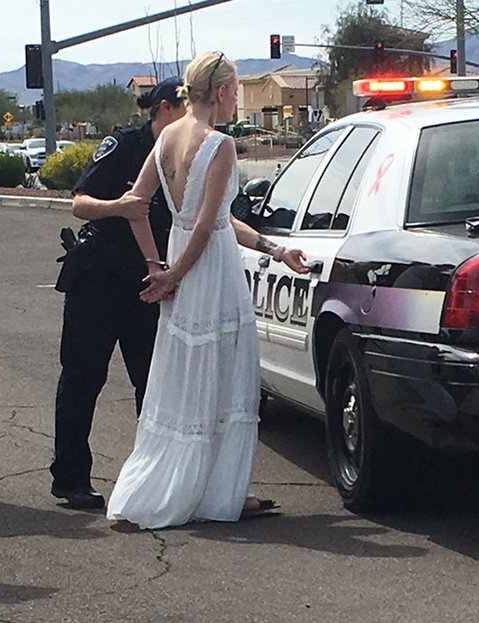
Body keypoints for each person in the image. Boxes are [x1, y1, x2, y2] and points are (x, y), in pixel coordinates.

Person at [106, 51, 309, 529]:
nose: (236, 99)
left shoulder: (166, 137)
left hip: (184, 261)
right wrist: (172, 274)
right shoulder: (219, 144)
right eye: (235, 91)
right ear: (220, 92)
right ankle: (215, 492)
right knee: (222, 375)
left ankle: (195, 486)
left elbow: (141, 205)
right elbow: (206, 227)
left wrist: (160, 265)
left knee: (187, 377)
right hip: (209, 271)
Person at [50, 78, 187, 509]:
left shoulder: (187, 152)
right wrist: (118, 208)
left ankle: (152, 478)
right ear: (165, 108)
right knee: (83, 378)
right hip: (99, 278)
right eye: (186, 105)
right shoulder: (124, 145)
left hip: (147, 284)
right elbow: (80, 202)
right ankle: (71, 478)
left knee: (152, 383)